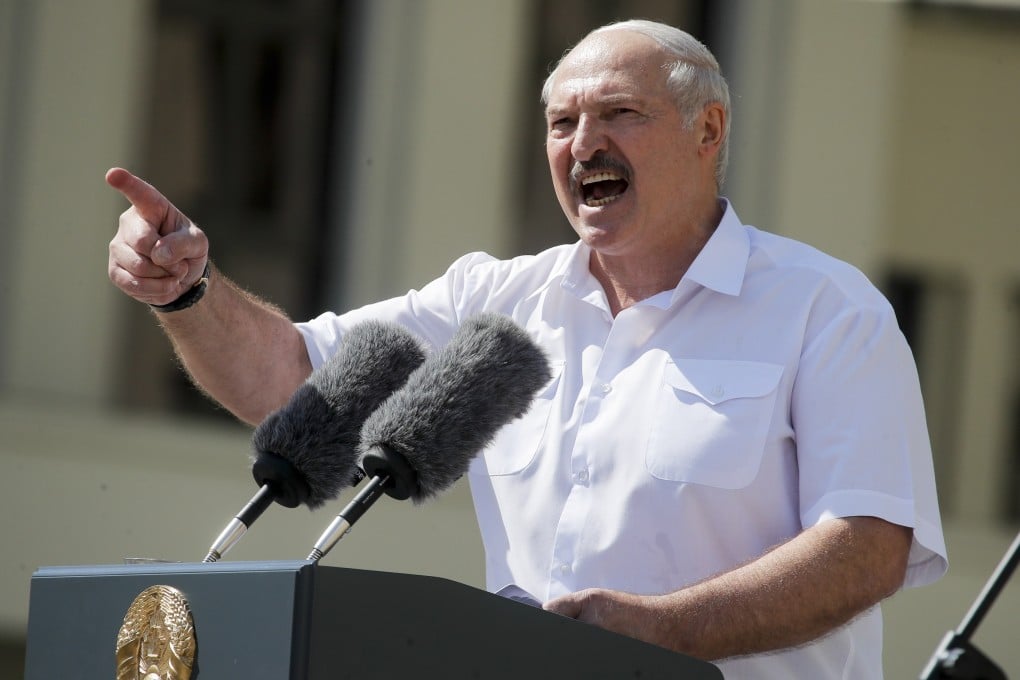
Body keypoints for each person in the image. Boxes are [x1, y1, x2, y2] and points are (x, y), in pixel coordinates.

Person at [107, 19, 947, 679]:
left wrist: (666, 631)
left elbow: (870, 545)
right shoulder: (494, 302)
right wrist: (188, 290)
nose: (583, 144)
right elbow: (292, 385)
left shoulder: (827, 310)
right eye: (561, 122)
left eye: (620, 113)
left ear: (708, 130)